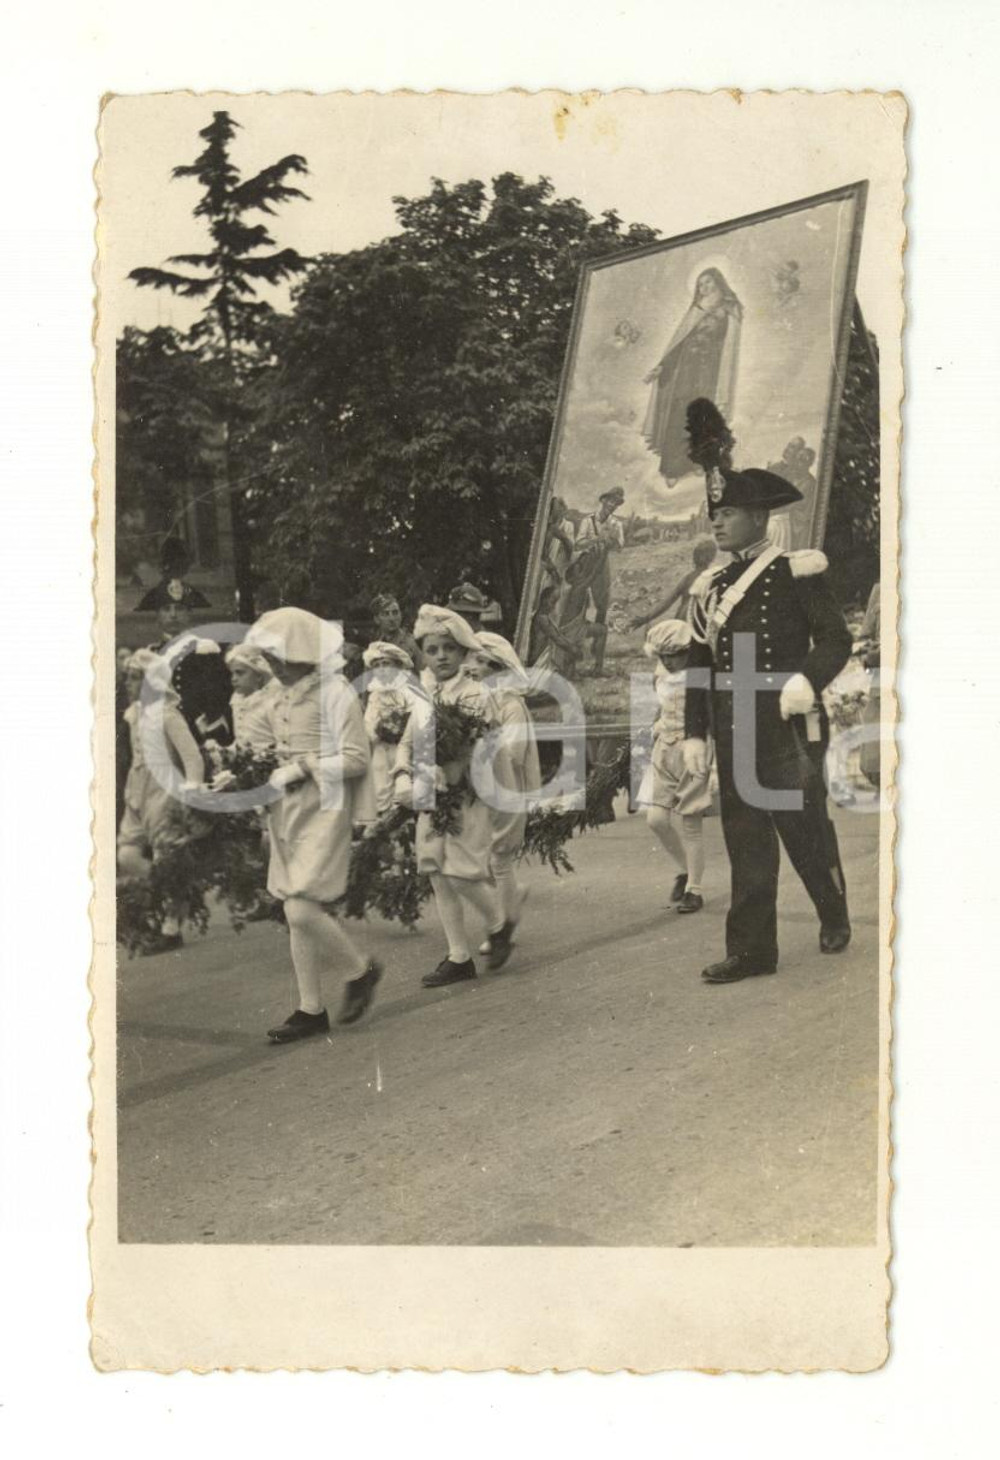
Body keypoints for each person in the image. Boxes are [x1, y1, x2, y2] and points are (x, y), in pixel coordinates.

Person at [683, 464, 853, 984]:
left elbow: (835, 640)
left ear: (759, 516)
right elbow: (699, 664)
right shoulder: (711, 585)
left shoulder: (796, 572)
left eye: (728, 512)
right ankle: (754, 950)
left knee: (804, 829)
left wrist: (806, 680)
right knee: (745, 834)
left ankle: (833, 912)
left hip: (786, 724)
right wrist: (695, 731)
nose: (717, 522)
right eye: (715, 513)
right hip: (736, 725)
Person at [242, 607, 383, 1040]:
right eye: (269, 659)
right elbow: (262, 743)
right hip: (287, 811)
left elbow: (357, 757)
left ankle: (360, 972)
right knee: (293, 905)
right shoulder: (276, 694)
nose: (274, 667)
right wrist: (244, 769)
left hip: (325, 808)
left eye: (281, 657)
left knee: (301, 906)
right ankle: (310, 1007)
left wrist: (302, 766)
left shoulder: (335, 692)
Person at [392, 605, 511, 986]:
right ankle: (458, 955)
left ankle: (498, 925)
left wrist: (457, 770)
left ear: (462, 652)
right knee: (437, 873)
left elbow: (487, 745)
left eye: (449, 648)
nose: (441, 656)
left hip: (466, 795)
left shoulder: (476, 694)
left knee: (462, 872)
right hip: (429, 793)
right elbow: (408, 741)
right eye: (432, 649)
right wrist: (401, 776)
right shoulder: (423, 693)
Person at [117, 648, 206, 954]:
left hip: (164, 789)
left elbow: (191, 756)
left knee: (168, 854)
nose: (128, 684)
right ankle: (170, 893)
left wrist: (192, 790)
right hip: (137, 786)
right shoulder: (133, 715)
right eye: (127, 678)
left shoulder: (168, 714)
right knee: (127, 854)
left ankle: (171, 926)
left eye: (135, 678)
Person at [466, 631, 542, 952]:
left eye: (484, 662)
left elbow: (513, 751)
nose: (476, 667)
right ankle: (510, 900)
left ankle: (502, 929)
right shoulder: (479, 700)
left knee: (498, 858)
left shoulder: (511, 704)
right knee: (482, 860)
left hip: (508, 787)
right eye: (476, 660)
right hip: (484, 788)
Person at [637, 619, 712, 913]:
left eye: (676, 655)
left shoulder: (700, 678)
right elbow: (664, 706)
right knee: (656, 819)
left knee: (691, 822)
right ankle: (684, 869)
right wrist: (658, 724)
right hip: (664, 748)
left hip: (691, 750)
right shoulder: (661, 675)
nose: (669, 661)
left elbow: (706, 715)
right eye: (663, 656)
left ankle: (695, 888)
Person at [642, 268, 743, 484]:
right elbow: (679, 344)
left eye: (708, 283)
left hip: (709, 373)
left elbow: (729, 343)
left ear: (718, 282)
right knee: (679, 414)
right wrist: (662, 367)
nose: (704, 288)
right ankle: (672, 469)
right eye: (700, 284)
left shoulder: (728, 308)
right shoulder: (695, 310)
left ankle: (698, 463)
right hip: (686, 372)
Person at [566, 486, 626, 673]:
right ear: (603, 500)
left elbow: (619, 547)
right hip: (585, 565)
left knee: (602, 607)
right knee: (577, 607)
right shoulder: (588, 521)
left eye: (615, 503)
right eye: (610, 500)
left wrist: (611, 540)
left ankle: (597, 662)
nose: (612, 505)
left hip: (602, 567)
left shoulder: (617, 524)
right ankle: (572, 659)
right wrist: (597, 540)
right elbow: (578, 544)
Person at [361, 639, 423, 814]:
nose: (382, 669)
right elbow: (369, 721)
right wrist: (377, 729)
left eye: (386, 664)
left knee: (402, 785)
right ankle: (382, 818)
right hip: (381, 746)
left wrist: (399, 726)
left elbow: (415, 716)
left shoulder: (408, 690)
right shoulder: (375, 693)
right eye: (377, 666)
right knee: (380, 783)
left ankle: (401, 821)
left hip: (402, 745)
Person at [629, 538, 717, 631]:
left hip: (681, 621)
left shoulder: (688, 578)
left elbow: (667, 602)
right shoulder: (713, 578)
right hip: (699, 625)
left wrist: (646, 618)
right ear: (712, 558)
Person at [225, 643, 280, 750]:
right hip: (247, 762)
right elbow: (241, 740)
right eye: (232, 673)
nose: (233, 678)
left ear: (258, 676)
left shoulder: (273, 701)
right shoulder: (237, 702)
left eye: (240, 673)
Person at [370, 592, 422, 671]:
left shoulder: (412, 643)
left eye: (395, 613)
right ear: (377, 619)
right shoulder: (375, 647)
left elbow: (426, 674)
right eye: (385, 614)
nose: (392, 618)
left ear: (401, 616)